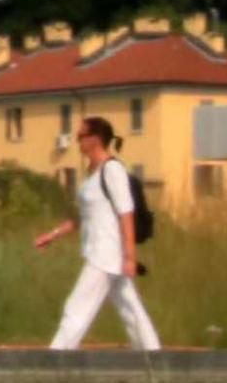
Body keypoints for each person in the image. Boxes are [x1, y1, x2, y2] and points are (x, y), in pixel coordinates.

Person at [31, 115, 161, 351]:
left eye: (81, 136)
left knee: (77, 307)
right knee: (130, 308)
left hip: (106, 253)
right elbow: (82, 217)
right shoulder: (92, 173)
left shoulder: (112, 170)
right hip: (101, 252)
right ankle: (153, 354)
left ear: (96, 139)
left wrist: (130, 257)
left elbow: (126, 213)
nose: (77, 141)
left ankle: (57, 356)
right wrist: (52, 235)